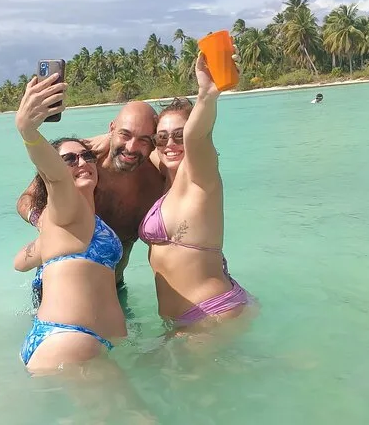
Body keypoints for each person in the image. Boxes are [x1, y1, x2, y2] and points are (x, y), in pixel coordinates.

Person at [13, 72, 127, 372]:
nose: (82, 162)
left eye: (87, 156)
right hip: (70, 340)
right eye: (69, 159)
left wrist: (46, 238)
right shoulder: (68, 205)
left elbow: (20, 262)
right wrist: (28, 131)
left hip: (64, 339)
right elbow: (55, 177)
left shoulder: (66, 222)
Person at [139, 52, 254, 332]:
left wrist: (207, 95)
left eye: (179, 135)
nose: (170, 144)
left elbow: (198, 137)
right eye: (162, 137)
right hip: (191, 318)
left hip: (211, 313)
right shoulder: (167, 171)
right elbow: (136, 148)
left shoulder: (200, 173)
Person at [16, 101, 166, 306]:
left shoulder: (156, 181)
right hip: (57, 294)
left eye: (144, 140)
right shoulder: (82, 164)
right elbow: (27, 199)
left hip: (113, 291)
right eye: (125, 134)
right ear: (112, 128)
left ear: (153, 142)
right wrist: (43, 221)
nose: (131, 148)